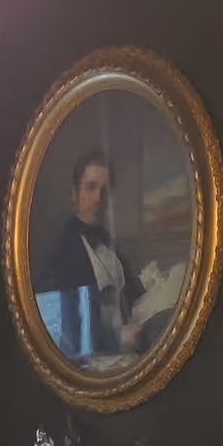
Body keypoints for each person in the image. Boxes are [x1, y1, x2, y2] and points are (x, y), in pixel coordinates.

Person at [35, 150, 142, 361]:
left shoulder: (108, 242)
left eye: (105, 190)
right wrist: (119, 339)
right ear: (74, 193)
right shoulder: (64, 252)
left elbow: (132, 292)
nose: (98, 198)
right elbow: (67, 336)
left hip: (126, 353)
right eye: (90, 187)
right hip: (91, 365)